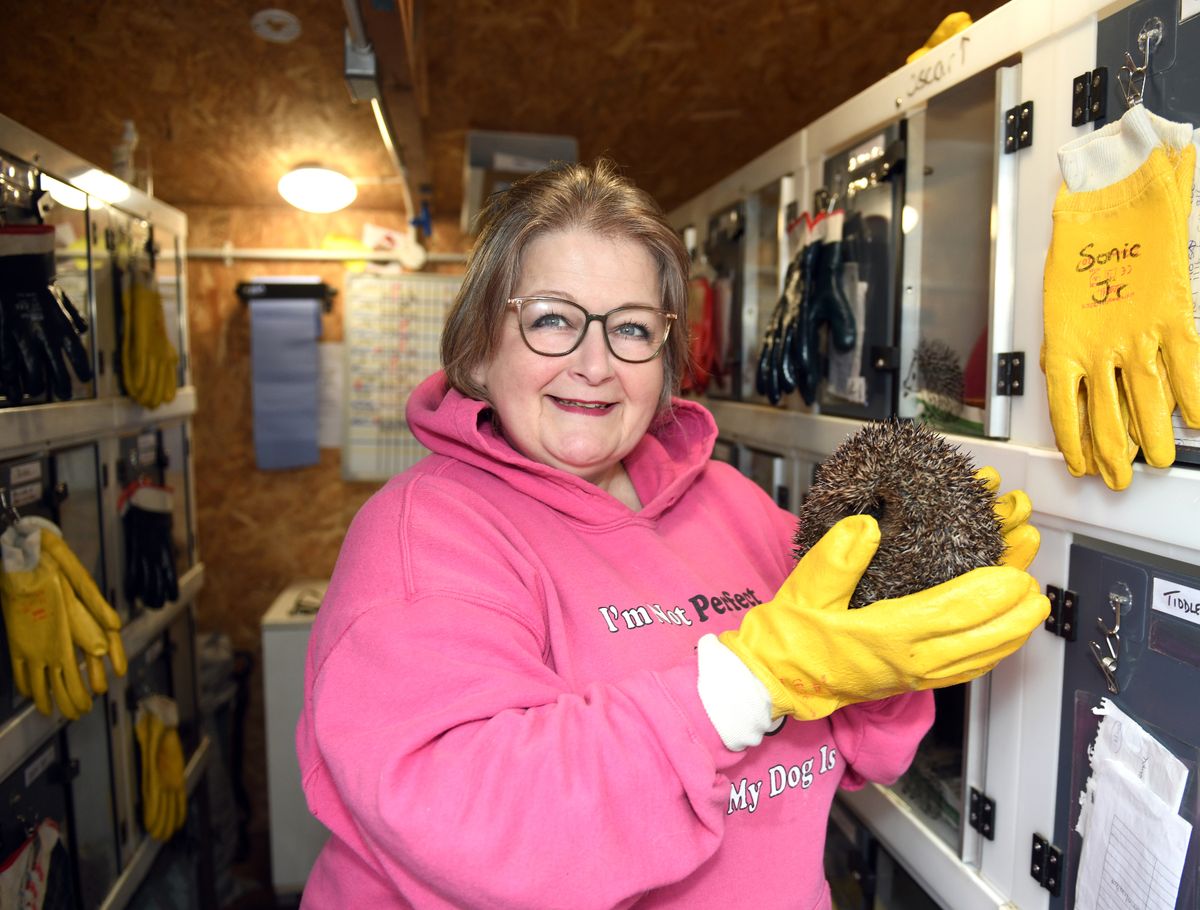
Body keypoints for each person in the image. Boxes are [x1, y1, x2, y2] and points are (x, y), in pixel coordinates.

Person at [296, 159, 1049, 909]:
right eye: (552, 318)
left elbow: (868, 749)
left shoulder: (732, 503)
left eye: (631, 329)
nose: (594, 365)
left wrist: (903, 614)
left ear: (665, 357)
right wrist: (748, 682)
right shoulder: (423, 535)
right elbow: (489, 829)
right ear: (478, 347)